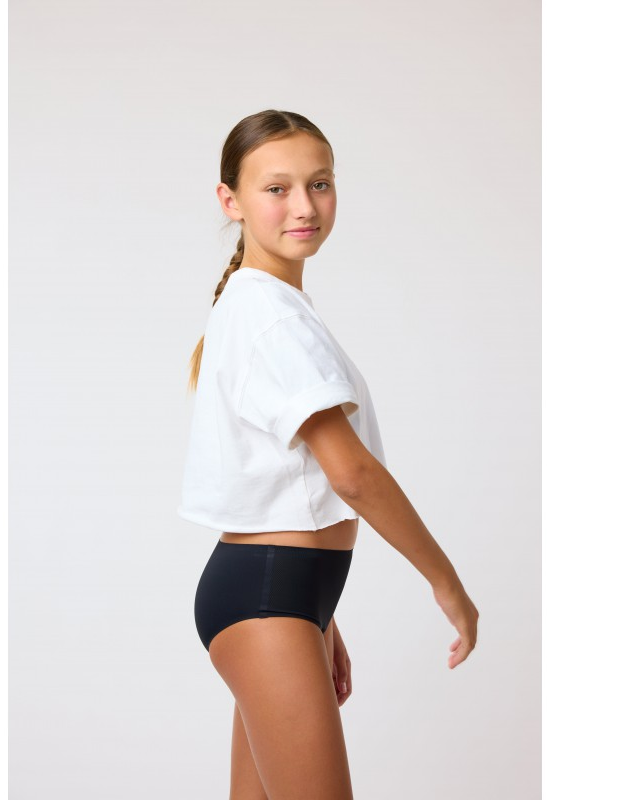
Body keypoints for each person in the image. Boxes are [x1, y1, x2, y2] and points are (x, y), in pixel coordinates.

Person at [178, 109, 479, 799]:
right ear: (230, 200)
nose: (305, 207)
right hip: (270, 596)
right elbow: (354, 475)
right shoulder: (269, 313)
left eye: (320, 183)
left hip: (279, 594)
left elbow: (288, 484)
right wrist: (448, 585)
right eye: (276, 188)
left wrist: (318, 614)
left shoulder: (266, 305)